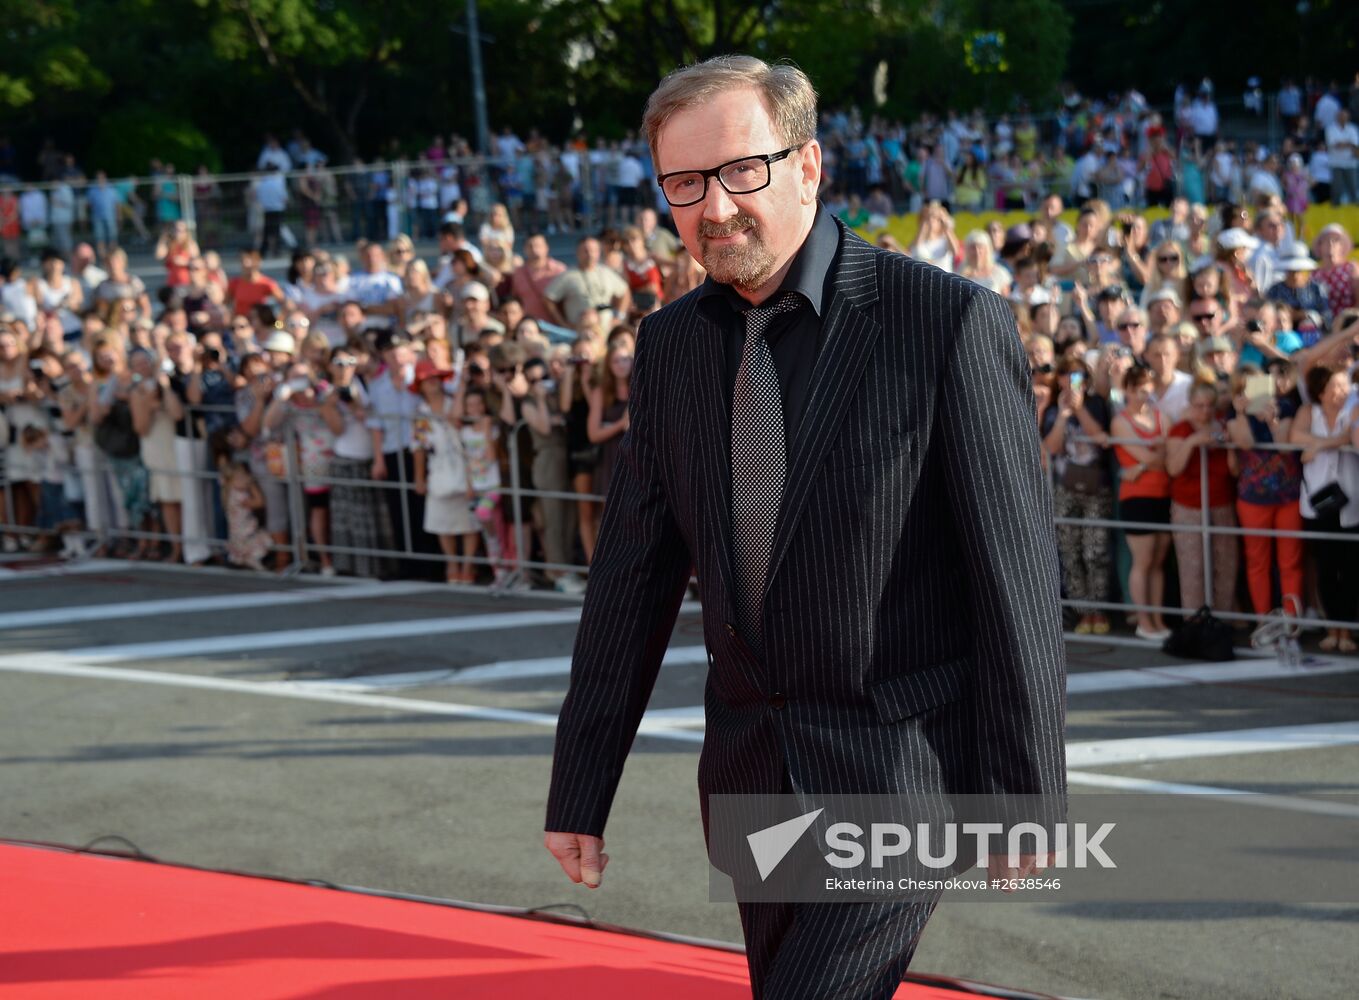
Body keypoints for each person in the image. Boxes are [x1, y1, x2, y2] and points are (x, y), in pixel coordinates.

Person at [543, 56, 1065, 998]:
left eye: (741, 170)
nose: (714, 208)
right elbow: (628, 582)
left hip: (900, 771)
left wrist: (1024, 793)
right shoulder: (667, 348)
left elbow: (1016, 580)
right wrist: (581, 785)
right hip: (750, 770)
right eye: (684, 185)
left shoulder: (946, 323)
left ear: (809, 164)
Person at [1227, 366, 1303, 618]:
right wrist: (1241, 414)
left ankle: (1291, 621)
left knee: (1290, 562)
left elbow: (1283, 447)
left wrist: (1272, 420)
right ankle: (1263, 620)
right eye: (1247, 387)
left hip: (1288, 496)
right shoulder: (1234, 415)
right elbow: (1246, 443)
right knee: (1257, 562)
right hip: (1252, 499)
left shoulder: (1286, 407)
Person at [1292, 364, 1359, 651]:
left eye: (1345, 386)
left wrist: (1319, 446)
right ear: (1321, 391)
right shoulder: (1309, 412)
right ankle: (1333, 628)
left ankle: (1347, 631)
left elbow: (1349, 439)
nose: (1343, 392)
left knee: (1352, 568)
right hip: (1317, 503)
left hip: (1352, 503)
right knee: (1326, 568)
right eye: (1336, 387)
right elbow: (1295, 437)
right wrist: (1328, 443)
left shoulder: (1353, 409)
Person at [1165, 381, 1240, 614]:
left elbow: (1235, 470)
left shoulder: (1223, 426)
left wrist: (1229, 445)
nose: (1205, 411)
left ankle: (1221, 622)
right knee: (1192, 568)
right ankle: (1195, 624)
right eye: (1199, 406)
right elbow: (1173, 468)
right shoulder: (1180, 430)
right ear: (1190, 404)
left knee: (1226, 565)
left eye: (1209, 406)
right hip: (1188, 506)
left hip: (1221, 503)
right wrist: (1192, 442)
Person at [1111, 365, 1173, 640]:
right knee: (1143, 560)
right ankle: (1144, 621)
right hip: (1137, 498)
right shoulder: (1120, 421)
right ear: (1126, 390)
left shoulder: (1162, 416)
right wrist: (1153, 455)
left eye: (1146, 387)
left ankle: (1157, 619)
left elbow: (1169, 458)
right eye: (1136, 388)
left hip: (1162, 494)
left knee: (1158, 561)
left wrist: (1148, 460)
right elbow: (1153, 457)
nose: (1142, 393)